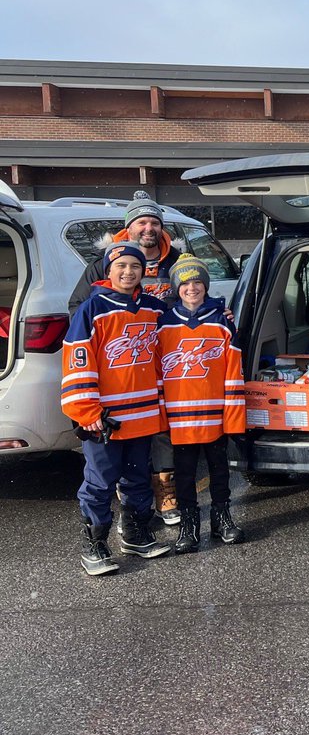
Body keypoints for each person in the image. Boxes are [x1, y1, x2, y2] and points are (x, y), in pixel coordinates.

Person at [70, 190, 185, 527]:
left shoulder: (178, 261)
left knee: (161, 430)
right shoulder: (103, 264)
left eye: (154, 222)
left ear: (161, 227)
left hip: (159, 363)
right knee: (111, 458)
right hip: (116, 367)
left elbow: (194, 296)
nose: (148, 228)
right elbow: (79, 309)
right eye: (141, 222)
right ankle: (110, 524)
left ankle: (163, 494)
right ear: (130, 227)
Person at [62, 241, 172, 576]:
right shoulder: (92, 309)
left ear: (143, 271)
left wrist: (221, 314)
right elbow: (78, 362)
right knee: (100, 482)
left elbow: (182, 334)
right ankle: (94, 544)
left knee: (137, 477)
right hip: (105, 418)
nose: (128, 272)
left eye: (135, 266)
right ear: (108, 270)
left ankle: (135, 535)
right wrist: (87, 411)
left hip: (143, 414)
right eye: (121, 266)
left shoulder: (155, 309)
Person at [156, 255, 246, 553]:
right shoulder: (164, 324)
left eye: (197, 282)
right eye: (185, 283)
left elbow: (233, 370)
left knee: (219, 469)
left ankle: (222, 519)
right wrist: (161, 414)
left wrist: (233, 415)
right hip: (180, 416)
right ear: (176, 288)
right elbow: (156, 372)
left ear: (206, 286)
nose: (191, 288)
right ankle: (189, 524)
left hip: (214, 413)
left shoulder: (222, 321)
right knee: (184, 473)